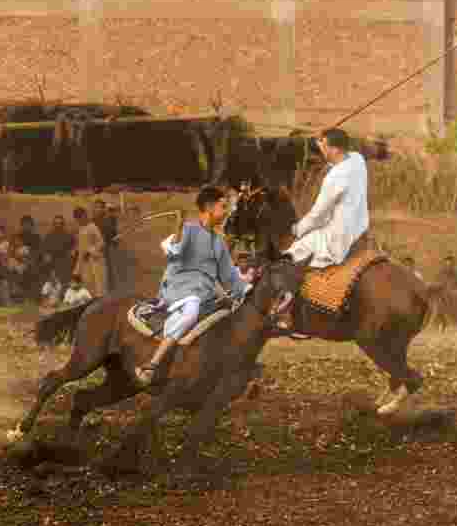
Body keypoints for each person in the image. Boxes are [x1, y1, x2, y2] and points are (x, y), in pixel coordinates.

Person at [135, 185, 254, 387]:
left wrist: (248, 288)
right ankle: (152, 364)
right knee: (191, 311)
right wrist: (179, 230)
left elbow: (229, 275)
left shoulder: (219, 241)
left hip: (205, 292)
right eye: (223, 207)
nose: (227, 212)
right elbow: (173, 251)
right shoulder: (188, 229)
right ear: (208, 206)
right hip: (180, 288)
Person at [283, 128, 369, 269]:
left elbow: (318, 216)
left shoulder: (333, 178)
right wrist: (322, 140)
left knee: (290, 255)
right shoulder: (357, 159)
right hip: (360, 227)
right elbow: (336, 162)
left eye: (324, 146)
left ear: (335, 150)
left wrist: (298, 229)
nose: (322, 148)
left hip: (339, 237)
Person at [72, 207, 108, 298]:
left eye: (81, 217)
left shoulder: (93, 227)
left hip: (96, 260)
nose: (80, 220)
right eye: (78, 219)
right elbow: (81, 246)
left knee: (99, 284)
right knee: (88, 283)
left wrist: (91, 251)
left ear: (85, 216)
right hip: (85, 261)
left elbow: (101, 242)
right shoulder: (80, 229)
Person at [41, 214, 76, 285]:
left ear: (63, 225)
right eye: (56, 223)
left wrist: (72, 252)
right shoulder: (49, 236)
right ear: (53, 225)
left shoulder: (68, 235)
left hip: (64, 260)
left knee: (66, 268)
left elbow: (74, 247)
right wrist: (46, 255)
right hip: (52, 260)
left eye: (60, 223)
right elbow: (44, 249)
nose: (58, 225)